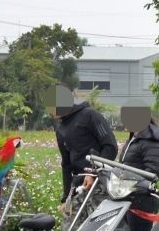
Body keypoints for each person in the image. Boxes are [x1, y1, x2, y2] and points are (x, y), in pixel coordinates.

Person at [46, 84, 118, 216]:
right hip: (78, 186)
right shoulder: (61, 129)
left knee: (98, 229)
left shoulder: (90, 116)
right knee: (71, 228)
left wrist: (93, 173)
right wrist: (66, 198)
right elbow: (66, 164)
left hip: (100, 183)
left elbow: (110, 146)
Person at [118, 100, 159, 231]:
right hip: (128, 196)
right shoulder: (134, 138)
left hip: (141, 199)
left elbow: (152, 172)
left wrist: (133, 185)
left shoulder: (150, 141)